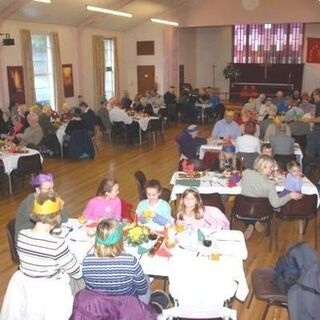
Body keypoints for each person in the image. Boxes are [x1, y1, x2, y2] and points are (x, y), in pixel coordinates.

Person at [1, 192, 82, 320]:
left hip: (26, 286)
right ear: (56, 217)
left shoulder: (22, 235)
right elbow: (76, 272)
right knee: (81, 280)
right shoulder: (57, 244)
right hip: (51, 291)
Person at [83, 219, 149, 302]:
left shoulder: (87, 261)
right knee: (146, 278)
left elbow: (89, 287)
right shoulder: (130, 261)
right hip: (126, 305)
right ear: (120, 239)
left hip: (100, 305)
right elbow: (142, 290)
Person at [241, 155, 302, 239]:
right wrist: (290, 196)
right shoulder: (270, 184)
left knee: (250, 203)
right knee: (268, 203)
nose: (272, 169)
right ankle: (254, 221)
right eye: (271, 167)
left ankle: (251, 223)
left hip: (243, 208)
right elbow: (276, 204)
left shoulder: (246, 173)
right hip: (260, 211)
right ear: (263, 167)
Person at [15, 173, 68, 241]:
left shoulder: (49, 198)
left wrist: (61, 208)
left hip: (40, 236)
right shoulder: (30, 204)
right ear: (37, 189)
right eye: (48, 189)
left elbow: (65, 220)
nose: (52, 191)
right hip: (26, 241)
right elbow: (48, 224)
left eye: (52, 188)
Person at [305, 88, 320, 157]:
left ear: (317, 95)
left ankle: (309, 164)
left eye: (314, 95)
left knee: (311, 148)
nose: (313, 97)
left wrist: (308, 120)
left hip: (318, 128)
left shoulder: (319, 104)